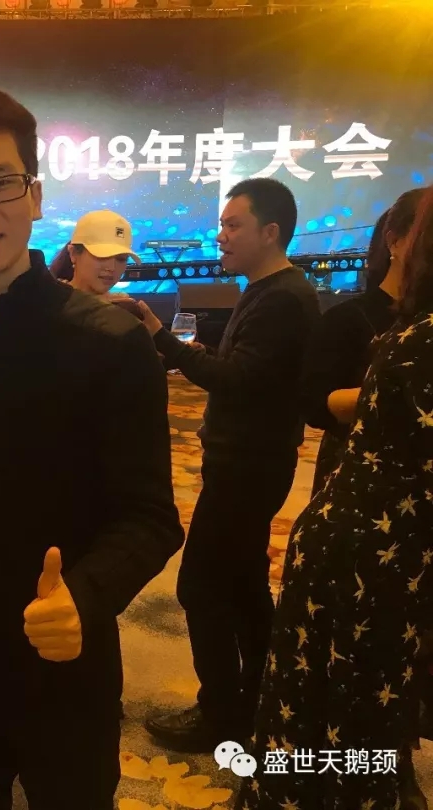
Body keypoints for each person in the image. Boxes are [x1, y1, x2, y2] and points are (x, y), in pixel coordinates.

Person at [0, 86, 183, 810]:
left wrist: (85, 597)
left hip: (68, 656)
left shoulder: (110, 341)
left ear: (34, 195)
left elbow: (152, 518)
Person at [234, 185, 433, 810]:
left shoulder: (416, 335)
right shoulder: (363, 323)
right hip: (361, 516)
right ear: (395, 240)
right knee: (341, 677)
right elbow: (312, 401)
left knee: (373, 677)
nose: (222, 237)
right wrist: (377, 394)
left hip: (382, 532)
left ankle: (378, 767)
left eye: (233, 224)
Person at [139, 177, 321, 751]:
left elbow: (236, 380)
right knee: (244, 586)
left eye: (232, 225)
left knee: (201, 589)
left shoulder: (283, 298)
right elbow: (249, 370)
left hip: (247, 468)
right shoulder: (269, 289)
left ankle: (221, 714)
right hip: (251, 463)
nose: (220, 236)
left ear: (271, 232)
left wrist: (162, 338)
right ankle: (261, 699)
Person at [301, 188, 424, 495]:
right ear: (394, 241)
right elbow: (314, 406)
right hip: (363, 484)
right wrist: (396, 392)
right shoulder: (346, 319)